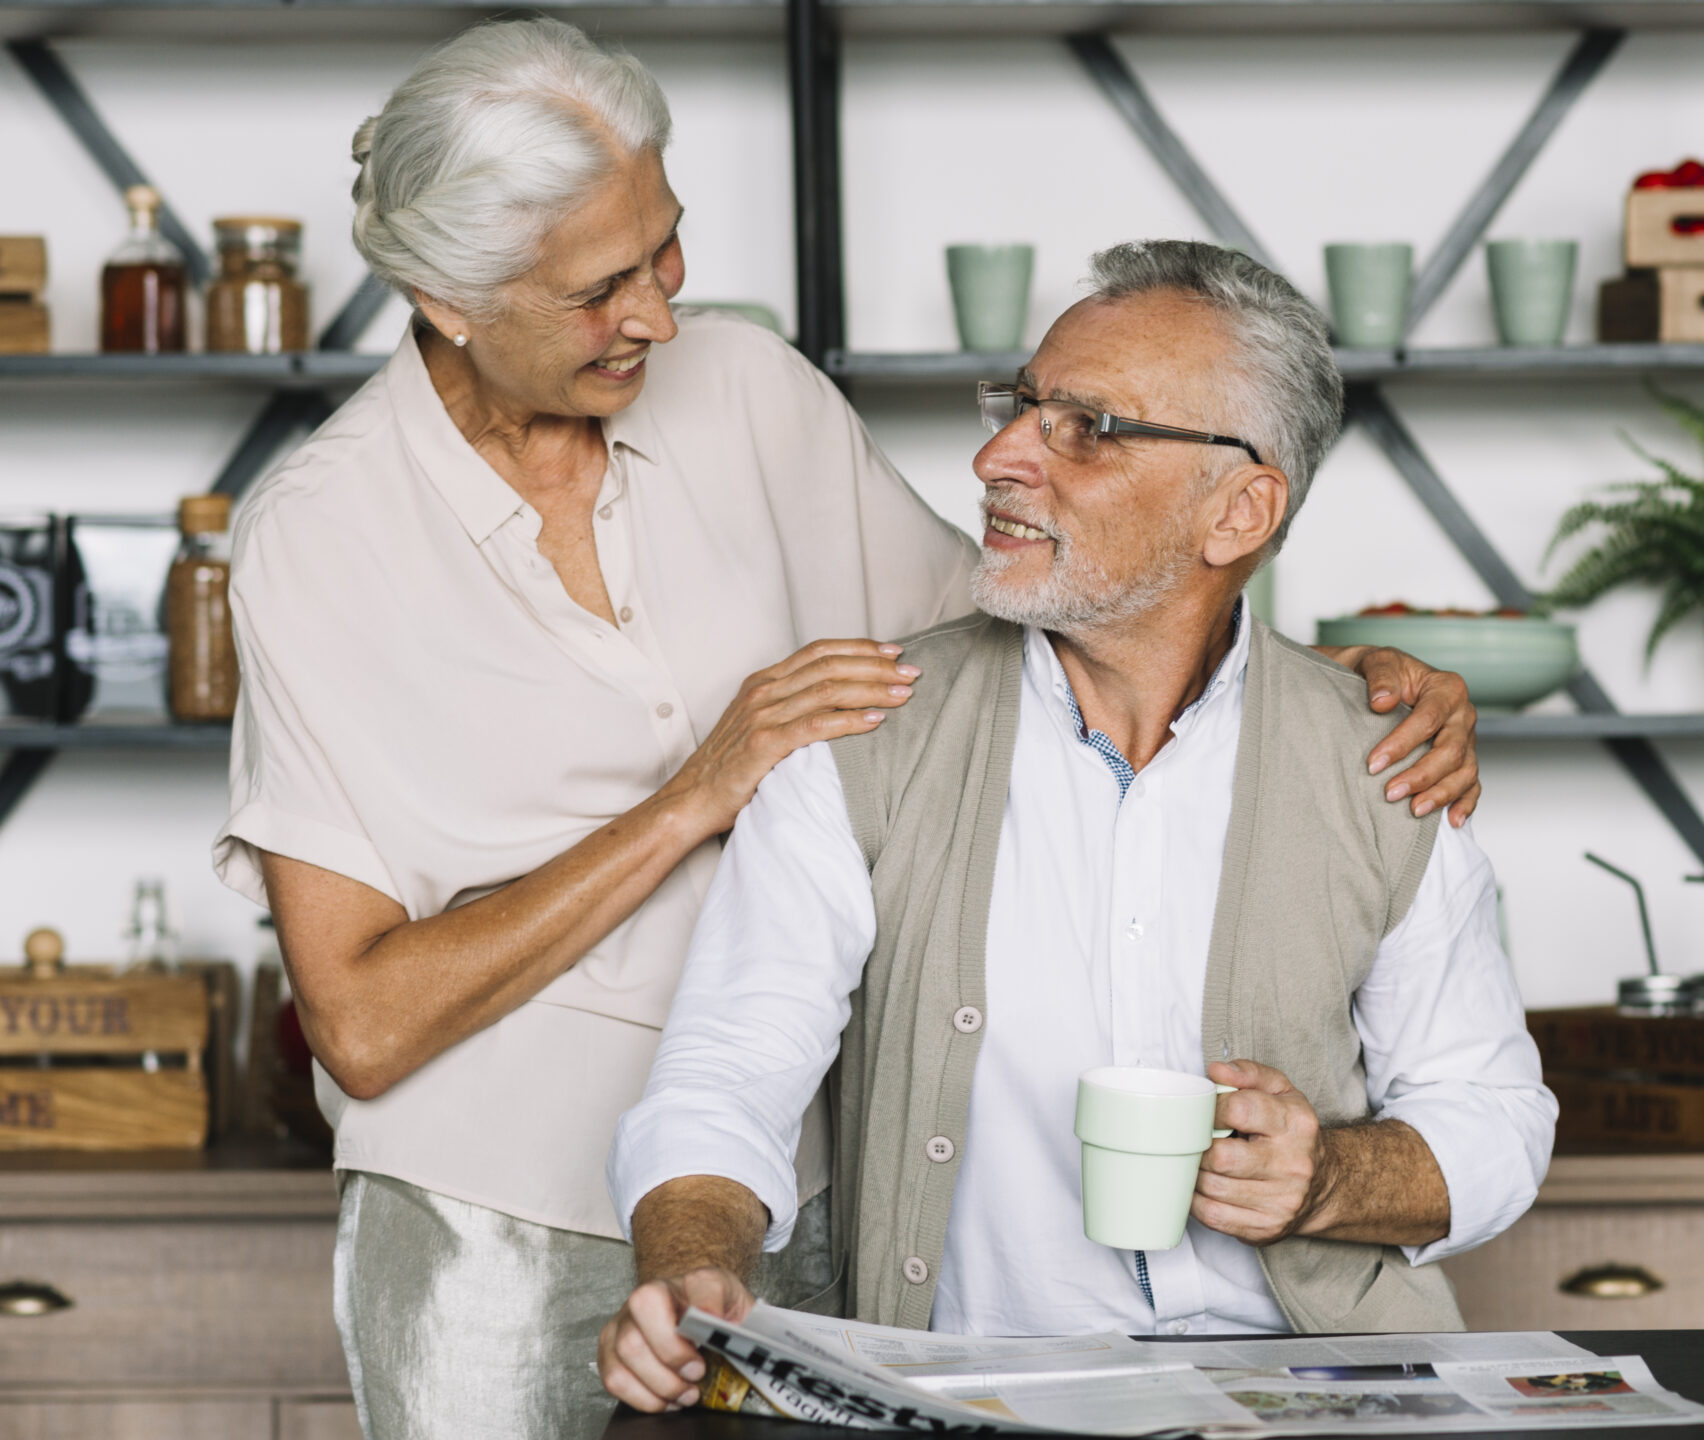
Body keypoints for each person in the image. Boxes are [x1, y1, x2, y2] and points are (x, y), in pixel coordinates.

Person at [213, 22, 1482, 1440]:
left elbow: (1061, 612)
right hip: (493, 1221)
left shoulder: (749, 396)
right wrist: (695, 794)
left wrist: (1325, 679)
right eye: (598, 289)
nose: (660, 315)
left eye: (666, 246)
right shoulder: (316, 540)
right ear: (446, 297)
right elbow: (365, 1025)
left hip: (802, 1192)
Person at [601, 240, 1557, 1414]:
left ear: (1239, 510)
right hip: (977, 1395)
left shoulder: (1385, 756)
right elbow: (731, 1069)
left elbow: (1496, 1117)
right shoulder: (860, 735)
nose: (996, 457)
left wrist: (1326, 1181)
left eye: (1088, 427)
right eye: (1020, 406)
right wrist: (692, 1264)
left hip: (1317, 1390)